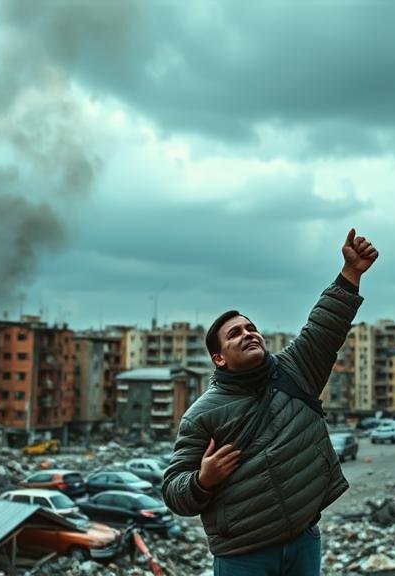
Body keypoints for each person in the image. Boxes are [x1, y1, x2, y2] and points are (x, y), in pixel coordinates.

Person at [162, 228, 378, 576]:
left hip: (303, 540)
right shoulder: (201, 416)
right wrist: (203, 479)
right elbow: (174, 492)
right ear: (219, 359)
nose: (248, 333)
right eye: (235, 333)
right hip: (243, 554)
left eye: (250, 328)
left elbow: (324, 327)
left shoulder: (295, 370)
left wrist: (350, 273)